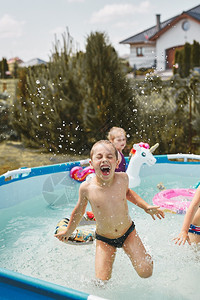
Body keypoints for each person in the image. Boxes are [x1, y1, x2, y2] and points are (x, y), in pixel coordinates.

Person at [55, 140, 165, 281]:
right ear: (91, 163)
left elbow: (128, 193)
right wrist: (69, 231)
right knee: (102, 281)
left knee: (146, 272)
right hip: (104, 239)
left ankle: (143, 252)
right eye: (99, 157)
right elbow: (79, 211)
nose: (104, 160)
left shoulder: (123, 178)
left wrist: (146, 207)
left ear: (117, 161)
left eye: (109, 157)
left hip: (128, 233)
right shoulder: (86, 188)